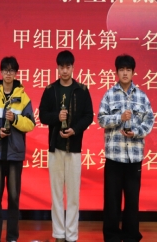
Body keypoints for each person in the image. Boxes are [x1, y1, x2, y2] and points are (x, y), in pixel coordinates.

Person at [98, 54, 155, 242]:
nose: (125, 73)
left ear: (133, 72)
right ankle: (112, 236)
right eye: (121, 69)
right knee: (112, 200)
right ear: (116, 72)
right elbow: (101, 119)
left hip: (134, 157)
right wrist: (119, 118)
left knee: (132, 199)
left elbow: (149, 121)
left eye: (128, 70)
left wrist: (136, 132)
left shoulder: (141, 96)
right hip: (114, 157)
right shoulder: (109, 94)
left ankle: (131, 235)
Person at [38, 50, 94, 242]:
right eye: (61, 67)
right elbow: (42, 115)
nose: (64, 71)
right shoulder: (50, 90)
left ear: (73, 67)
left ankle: (71, 235)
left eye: (68, 67)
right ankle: (58, 234)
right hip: (55, 148)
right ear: (57, 68)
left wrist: (74, 130)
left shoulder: (82, 90)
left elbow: (89, 116)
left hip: (74, 148)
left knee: (73, 195)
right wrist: (57, 117)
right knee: (56, 194)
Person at [0, 56, 35, 242]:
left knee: (14, 197)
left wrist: (15, 119)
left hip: (14, 155)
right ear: (1, 72)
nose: (8, 74)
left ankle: (12, 237)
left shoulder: (23, 97)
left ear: (16, 73)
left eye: (11, 70)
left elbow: (31, 124)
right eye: (5, 70)